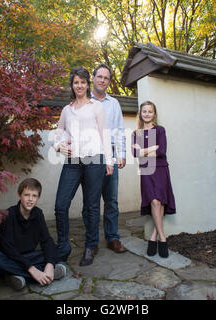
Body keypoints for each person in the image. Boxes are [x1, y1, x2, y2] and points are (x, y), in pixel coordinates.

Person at [53, 66, 114, 267]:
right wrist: (59, 145)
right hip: (72, 163)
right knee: (61, 206)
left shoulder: (96, 107)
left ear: (88, 84)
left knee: (91, 206)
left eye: (82, 82)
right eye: (76, 82)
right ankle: (63, 246)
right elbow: (59, 132)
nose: (79, 85)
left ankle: (90, 246)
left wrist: (109, 161)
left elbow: (105, 133)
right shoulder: (66, 110)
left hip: (94, 161)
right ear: (72, 85)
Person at [0, 178, 67, 291]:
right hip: (10, 258)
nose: (30, 199)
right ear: (19, 196)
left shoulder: (38, 214)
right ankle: (40, 275)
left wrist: (50, 264)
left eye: (34, 196)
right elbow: (7, 249)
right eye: (26, 195)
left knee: (65, 248)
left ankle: (17, 276)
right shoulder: (8, 215)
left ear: (38, 198)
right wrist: (32, 269)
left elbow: (46, 241)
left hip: (30, 256)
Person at [132, 101, 176, 258]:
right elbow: (134, 154)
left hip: (161, 168)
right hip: (146, 170)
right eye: (144, 111)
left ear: (154, 114)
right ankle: (162, 238)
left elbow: (162, 150)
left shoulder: (160, 130)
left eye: (150, 111)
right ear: (140, 113)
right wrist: (152, 149)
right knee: (154, 202)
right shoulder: (135, 133)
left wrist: (143, 150)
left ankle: (155, 237)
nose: (147, 114)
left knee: (160, 201)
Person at [91, 63, 127, 254]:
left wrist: (121, 154)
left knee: (111, 200)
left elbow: (120, 130)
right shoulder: (84, 101)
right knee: (92, 200)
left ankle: (113, 238)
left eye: (106, 78)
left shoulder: (114, 103)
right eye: (100, 76)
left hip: (111, 154)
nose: (103, 80)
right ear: (93, 78)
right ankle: (92, 241)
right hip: (91, 156)